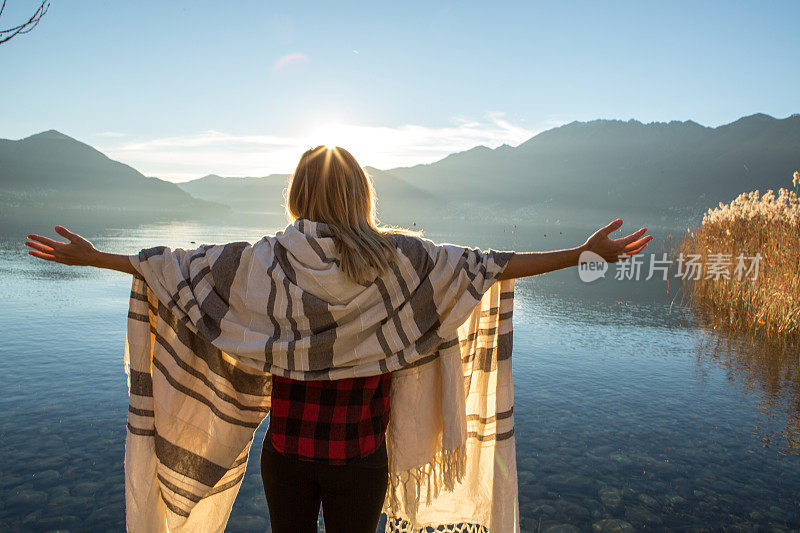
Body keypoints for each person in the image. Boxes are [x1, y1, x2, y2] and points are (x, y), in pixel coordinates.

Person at [24, 146, 652, 533]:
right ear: (361, 193)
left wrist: (97, 258)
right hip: (360, 458)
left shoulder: (263, 264)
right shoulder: (403, 261)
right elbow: (492, 265)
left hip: (288, 456)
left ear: (298, 194)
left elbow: (172, 269)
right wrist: (581, 254)